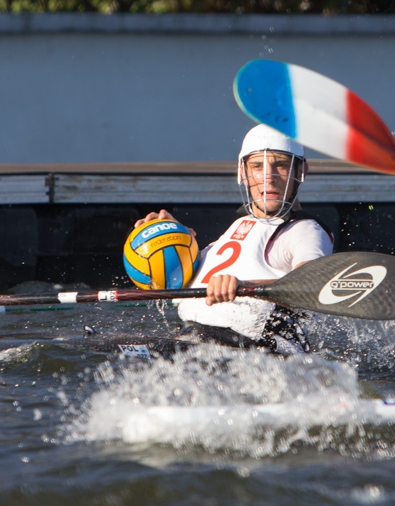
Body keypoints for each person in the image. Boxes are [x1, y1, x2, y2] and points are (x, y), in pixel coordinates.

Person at [135, 124, 334, 354]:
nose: (268, 177)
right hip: (195, 339)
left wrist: (245, 285)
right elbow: (175, 282)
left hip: (259, 351)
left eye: (281, 165)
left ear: (301, 172)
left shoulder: (304, 230)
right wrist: (173, 239)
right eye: (257, 166)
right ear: (244, 173)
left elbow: (314, 285)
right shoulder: (240, 226)